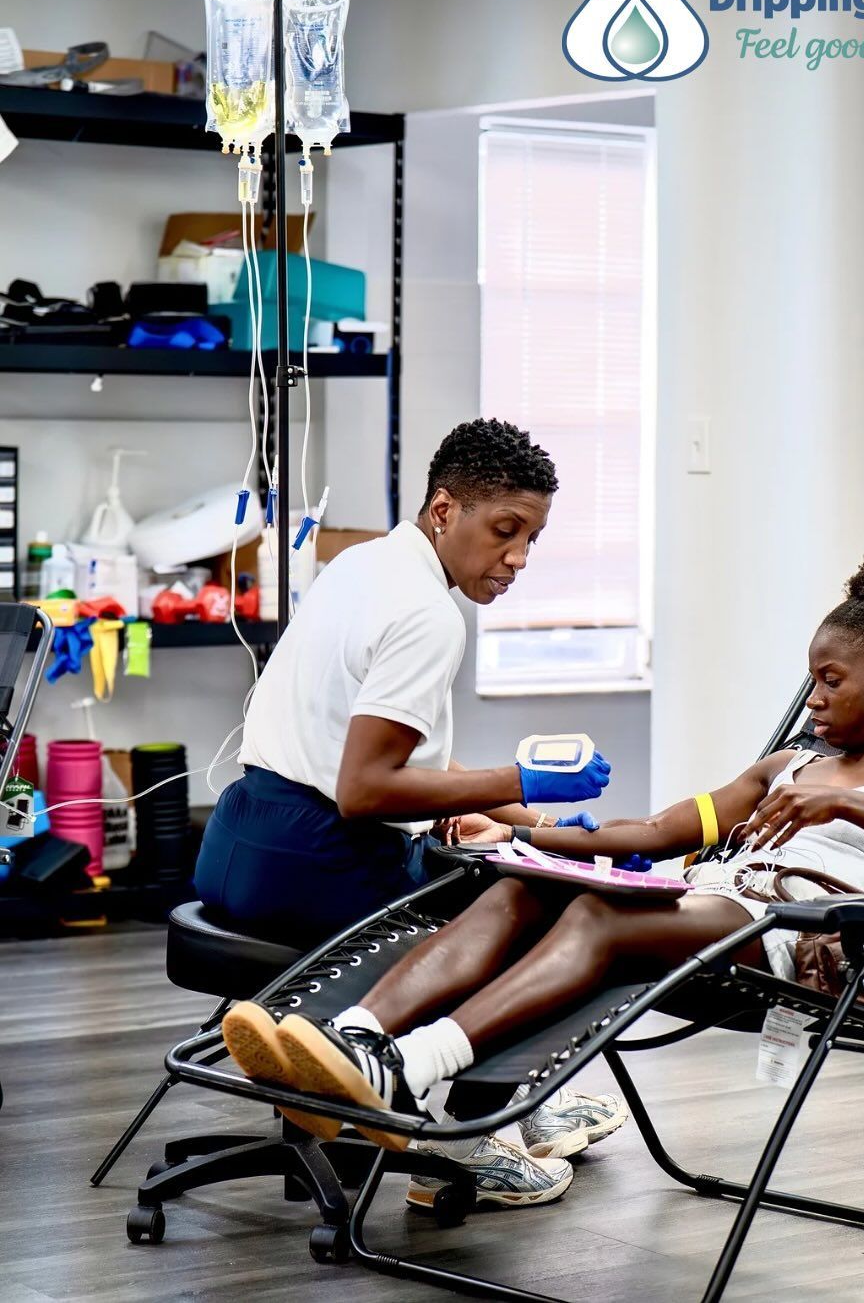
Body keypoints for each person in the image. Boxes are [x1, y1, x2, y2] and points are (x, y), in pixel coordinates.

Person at [221, 540, 864, 1209]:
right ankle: (359, 1042)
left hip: (785, 935)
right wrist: (522, 826)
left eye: (832, 680)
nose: (816, 697)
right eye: (812, 679)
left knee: (596, 922)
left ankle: (414, 1067)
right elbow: (661, 830)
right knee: (525, 884)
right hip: (708, 906)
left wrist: (848, 811)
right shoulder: (787, 766)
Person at [196, 417, 625, 1209]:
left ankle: (517, 1102)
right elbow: (367, 790)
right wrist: (523, 780)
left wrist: (526, 813)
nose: (518, 558)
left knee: (508, 868)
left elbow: (395, 765)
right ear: (442, 510)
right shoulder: (431, 617)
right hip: (322, 854)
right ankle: (466, 1141)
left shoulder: (361, 567)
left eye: (532, 538)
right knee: (518, 915)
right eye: (504, 531)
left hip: (240, 838)